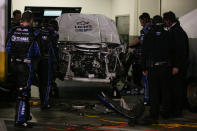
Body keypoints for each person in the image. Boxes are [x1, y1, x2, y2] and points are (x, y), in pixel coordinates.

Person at [6, 11, 40, 128]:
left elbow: (8, 49)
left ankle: (25, 115)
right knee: (24, 92)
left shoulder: (13, 31)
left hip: (13, 65)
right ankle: (20, 120)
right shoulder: (34, 33)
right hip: (26, 65)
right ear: (31, 20)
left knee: (20, 91)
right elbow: (37, 52)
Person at [142, 15, 172, 123]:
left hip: (153, 68)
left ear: (152, 23)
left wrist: (144, 68)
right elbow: (172, 51)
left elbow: (144, 53)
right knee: (165, 91)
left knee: (153, 92)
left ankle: (154, 114)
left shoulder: (148, 35)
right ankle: (166, 113)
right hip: (165, 67)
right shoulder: (168, 35)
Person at [163, 11, 189, 117]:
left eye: (165, 20)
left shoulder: (177, 31)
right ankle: (175, 109)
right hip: (176, 65)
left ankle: (177, 111)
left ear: (169, 20)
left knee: (177, 88)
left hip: (177, 66)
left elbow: (180, 50)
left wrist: (176, 66)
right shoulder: (176, 30)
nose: (164, 22)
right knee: (175, 88)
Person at [36, 20, 58, 109]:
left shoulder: (37, 33)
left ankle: (43, 101)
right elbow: (54, 51)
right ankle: (45, 103)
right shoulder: (53, 35)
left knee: (41, 83)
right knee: (47, 83)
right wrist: (56, 64)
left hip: (38, 61)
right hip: (47, 62)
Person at [127, 13, 152, 87]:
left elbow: (141, 40)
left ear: (145, 19)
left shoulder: (147, 28)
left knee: (136, 66)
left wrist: (129, 45)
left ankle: (137, 85)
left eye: (141, 21)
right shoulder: (150, 27)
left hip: (145, 54)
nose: (141, 24)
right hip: (147, 53)